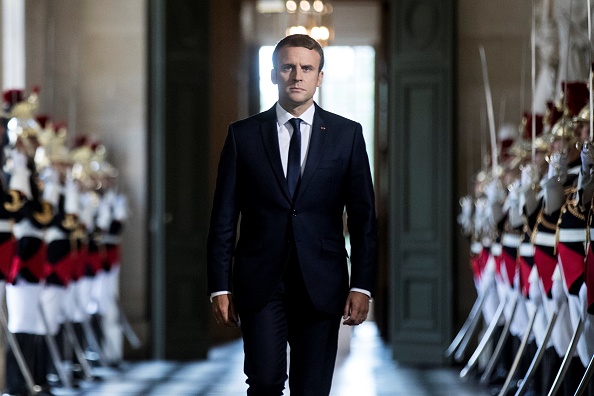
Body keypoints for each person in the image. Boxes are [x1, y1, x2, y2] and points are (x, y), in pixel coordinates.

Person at [207, 34, 378, 396]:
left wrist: (361, 285)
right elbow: (223, 217)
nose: (297, 76)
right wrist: (219, 285)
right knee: (265, 381)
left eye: (306, 68)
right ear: (273, 75)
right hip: (260, 282)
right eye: (288, 67)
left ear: (320, 76)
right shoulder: (242, 136)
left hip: (323, 281)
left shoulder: (347, 135)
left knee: (312, 389)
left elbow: (363, 218)